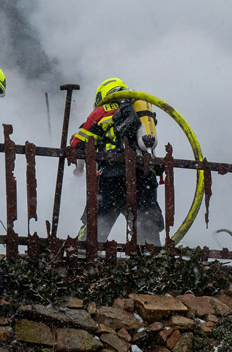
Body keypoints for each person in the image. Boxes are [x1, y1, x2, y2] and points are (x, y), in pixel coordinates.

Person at [69, 78, 164, 246]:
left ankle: (83, 255)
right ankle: (152, 259)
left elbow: (78, 145)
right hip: (144, 179)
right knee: (147, 229)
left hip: (113, 178)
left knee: (96, 227)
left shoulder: (102, 111)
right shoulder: (141, 110)